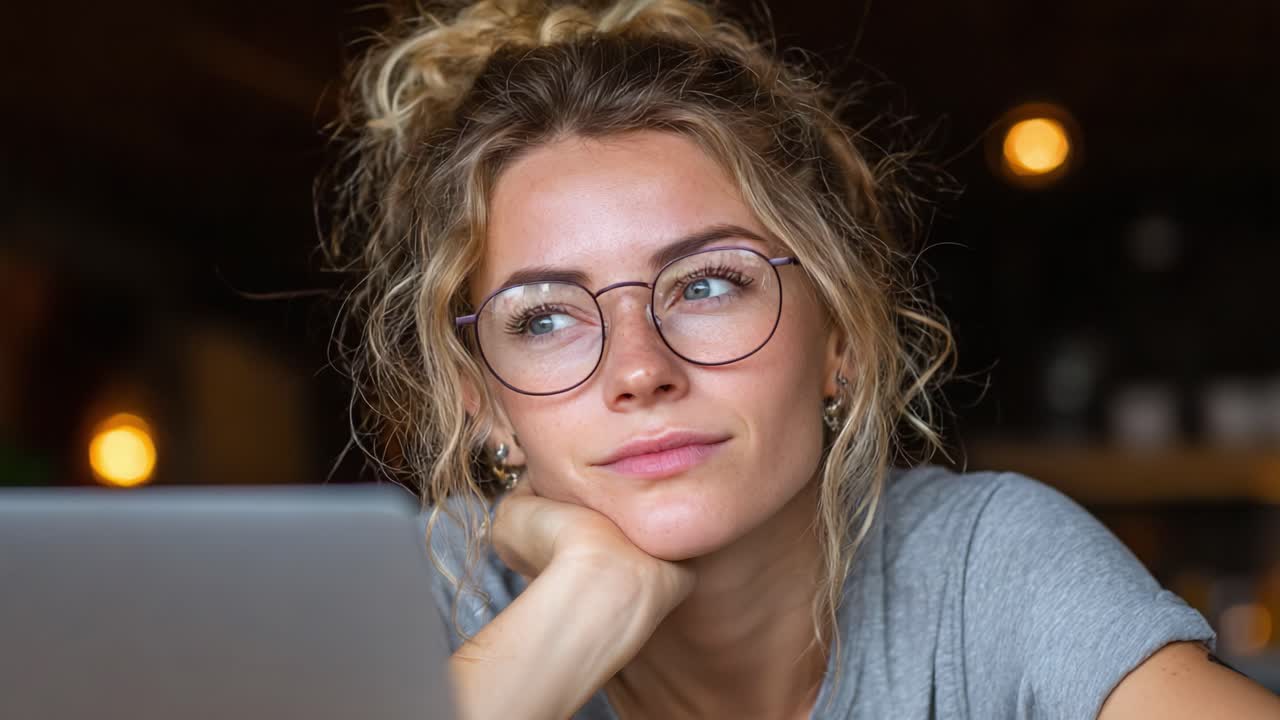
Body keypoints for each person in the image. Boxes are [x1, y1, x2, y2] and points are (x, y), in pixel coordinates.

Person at [322, 0, 1280, 717]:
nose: (639, 370)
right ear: (481, 399)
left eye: (706, 284)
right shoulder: (428, 594)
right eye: (544, 318)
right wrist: (584, 602)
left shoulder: (977, 568)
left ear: (843, 342)